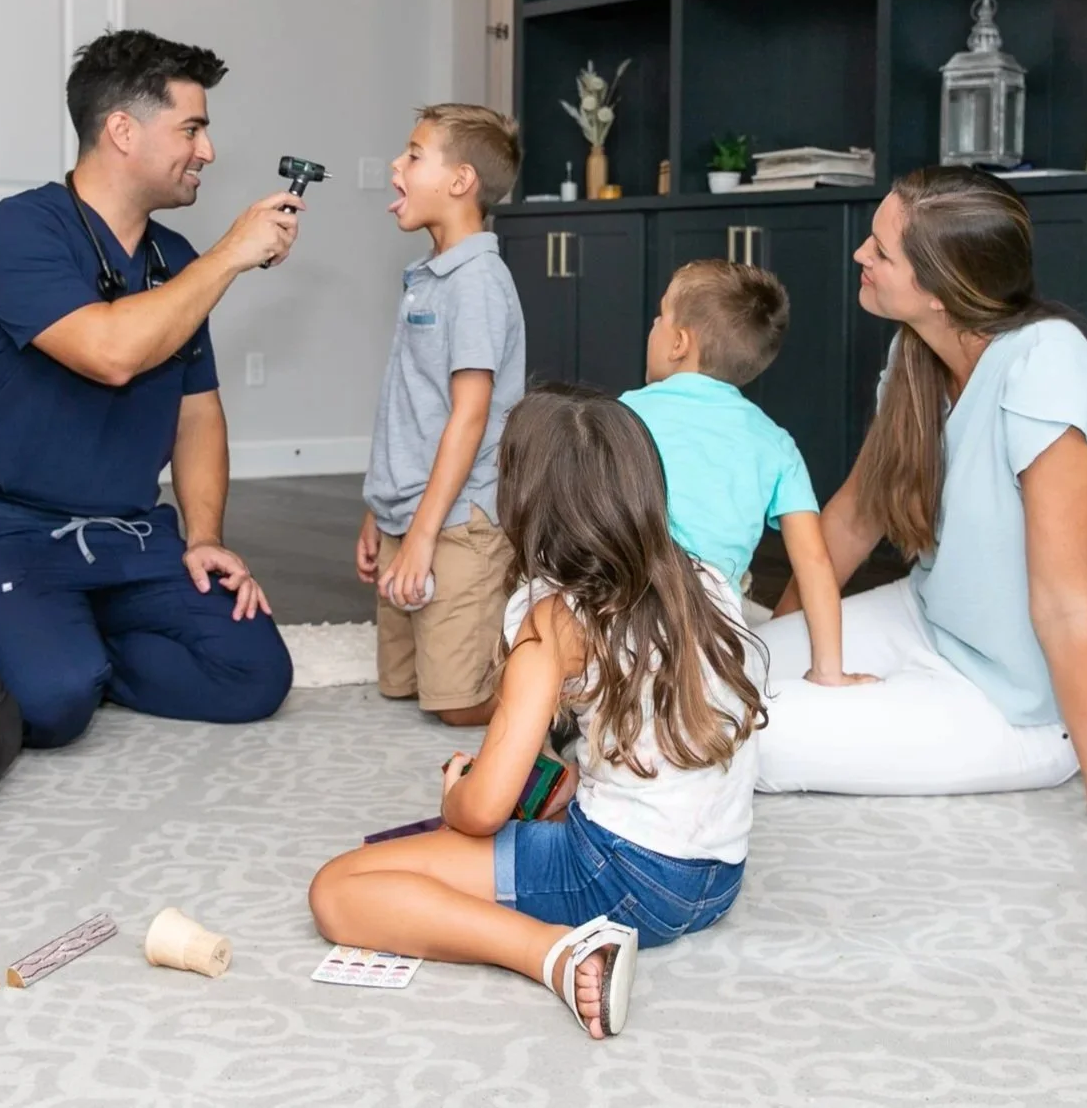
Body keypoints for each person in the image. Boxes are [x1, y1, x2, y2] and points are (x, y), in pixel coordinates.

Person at [751, 166, 1087, 849]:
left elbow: (1064, 600)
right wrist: (763, 652)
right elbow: (848, 521)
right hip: (924, 618)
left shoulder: (1048, 368)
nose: (859, 255)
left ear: (942, 290)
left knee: (732, 736)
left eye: (881, 250)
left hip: (1012, 705)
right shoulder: (914, 355)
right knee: (709, 682)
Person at [311, 386, 767, 1039]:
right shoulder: (707, 581)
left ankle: (553, 953)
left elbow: (484, 809)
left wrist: (457, 798)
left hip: (620, 875)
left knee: (339, 888)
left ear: (525, 507)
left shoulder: (555, 618)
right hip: (718, 877)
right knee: (521, 806)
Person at [0, 29, 304, 749]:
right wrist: (230, 254)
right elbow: (110, 352)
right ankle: (41, 638)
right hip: (8, 531)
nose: (208, 152)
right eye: (192, 128)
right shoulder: (15, 231)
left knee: (252, 674)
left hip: (131, 535)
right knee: (51, 704)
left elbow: (197, 413)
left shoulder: (176, 259)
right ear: (122, 130)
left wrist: (202, 538)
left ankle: (76, 637)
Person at [620, 259, 874, 687]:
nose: (654, 325)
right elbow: (813, 561)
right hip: (713, 641)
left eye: (661, 316)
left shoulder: (622, 415)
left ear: (679, 342)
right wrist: (829, 671)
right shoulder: (774, 442)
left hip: (621, 624)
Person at [355, 104, 527, 727]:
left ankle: (559, 682)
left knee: (459, 706)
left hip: (456, 522)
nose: (396, 166)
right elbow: (408, 405)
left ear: (460, 182)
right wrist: (382, 511)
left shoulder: (477, 281)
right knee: (401, 687)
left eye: (413, 154)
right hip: (411, 513)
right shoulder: (428, 278)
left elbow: (469, 417)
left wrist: (424, 536)